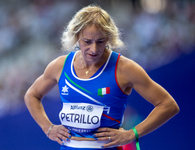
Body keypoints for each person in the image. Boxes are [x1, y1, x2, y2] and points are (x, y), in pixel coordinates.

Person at [24, 4, 179, 150]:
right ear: (77, 37)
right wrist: (47, 127)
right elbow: (31, 95)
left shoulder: (125, 68)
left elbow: (168, 105)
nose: (94, 49)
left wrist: (132, 134)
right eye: (87, 41)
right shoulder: (60, 66)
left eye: (100, 41)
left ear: (109, 38)